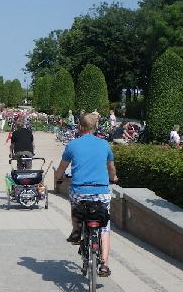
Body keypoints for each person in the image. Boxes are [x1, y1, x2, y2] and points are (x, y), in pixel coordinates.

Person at [54, 114, 118, 278]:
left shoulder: (72, 145)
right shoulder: (104, 144)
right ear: (95, 128)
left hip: (80, 191)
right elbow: (111, 168)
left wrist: (59, 178)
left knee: (75, 205)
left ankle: (76, 231)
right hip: (101, 192)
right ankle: (104, 264)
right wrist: (113, 178)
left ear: (79, 127)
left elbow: (61, 168)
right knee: (105, 227)